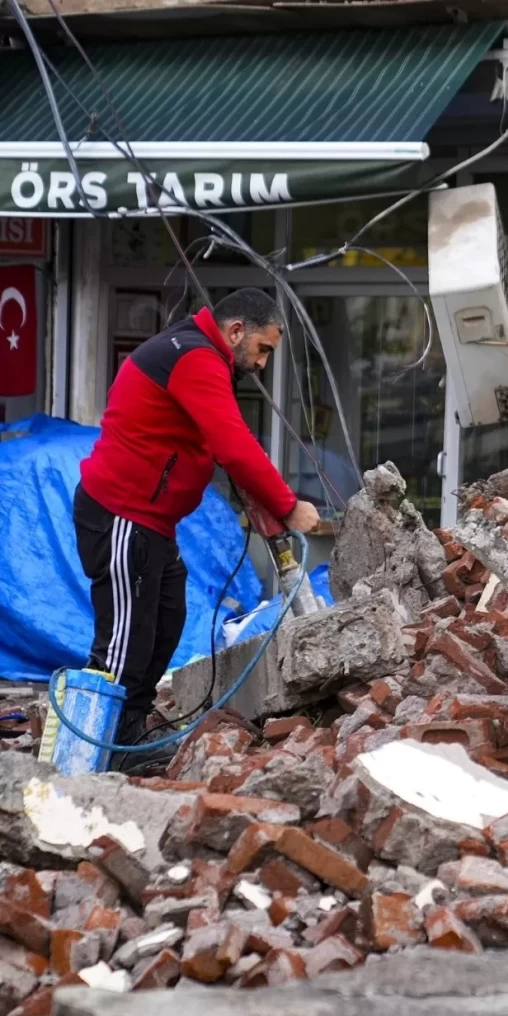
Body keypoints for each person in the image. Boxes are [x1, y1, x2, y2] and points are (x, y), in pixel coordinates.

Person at [74, 287, 319, 746]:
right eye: (263, 349)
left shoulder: (197, 353)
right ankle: (94, 748)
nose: (264, 363)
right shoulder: (195, 358)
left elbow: (218, 438)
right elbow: (233, 444)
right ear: (236, 330)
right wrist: (287, 505)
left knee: (166, 623)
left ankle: (129, 734)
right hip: (122, 514)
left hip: (150, 522)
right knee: (125, 641)